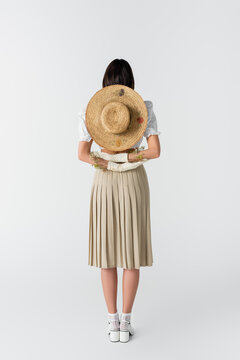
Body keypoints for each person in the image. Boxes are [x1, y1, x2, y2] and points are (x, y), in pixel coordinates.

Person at [77, 58, 161, 342]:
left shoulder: (92, 112)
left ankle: (113, 323)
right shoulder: (143, 109)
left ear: (105, 85)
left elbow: (82, 154)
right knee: (131, 254)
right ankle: (125, 322)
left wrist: (108, 159)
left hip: (104, 180)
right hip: (134, 180)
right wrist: (130, 157)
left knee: (107, 252)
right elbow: (155, 151)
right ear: (131, 85)